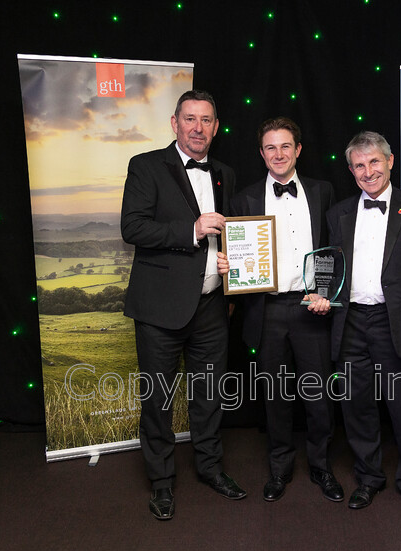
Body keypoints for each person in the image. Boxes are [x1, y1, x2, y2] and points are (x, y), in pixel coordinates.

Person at [121, 90, 246, 521]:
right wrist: (191, 230)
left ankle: (210, 469)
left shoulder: (225, 173)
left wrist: (232, 262)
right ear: (174, 123)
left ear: (216, 126)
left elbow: (227, 232)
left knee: (209, 396)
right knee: (157, 399)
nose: (198, 127)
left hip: (212, 306)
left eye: (206, 120)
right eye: (190, 119)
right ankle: (161, 482)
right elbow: (132, 227)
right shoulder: (145, 166)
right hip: (159, 308)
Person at [216, 117, 343, 503]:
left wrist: (324, 292)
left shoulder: (323, 191)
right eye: (270, 147)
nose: (278, 154)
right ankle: (279, 467)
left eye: (285, 146)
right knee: (275, 395)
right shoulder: (245, 198)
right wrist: (229, 268)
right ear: (261, 153)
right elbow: (240, 254)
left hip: (311, 307)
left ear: (298, 149)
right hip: (266, 311)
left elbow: (332, 250)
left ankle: (321, 466)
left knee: (319, 393)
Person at [325, 131, 401, 518]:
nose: (368, 171)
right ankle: (369, 479)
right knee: (357, 408)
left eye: (374, 162)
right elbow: (330, 269)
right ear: (351, 170)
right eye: (359, 165)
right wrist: (320, 294)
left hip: (397, 325)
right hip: (351, 321)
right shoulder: (338, 212)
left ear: (390, 161)